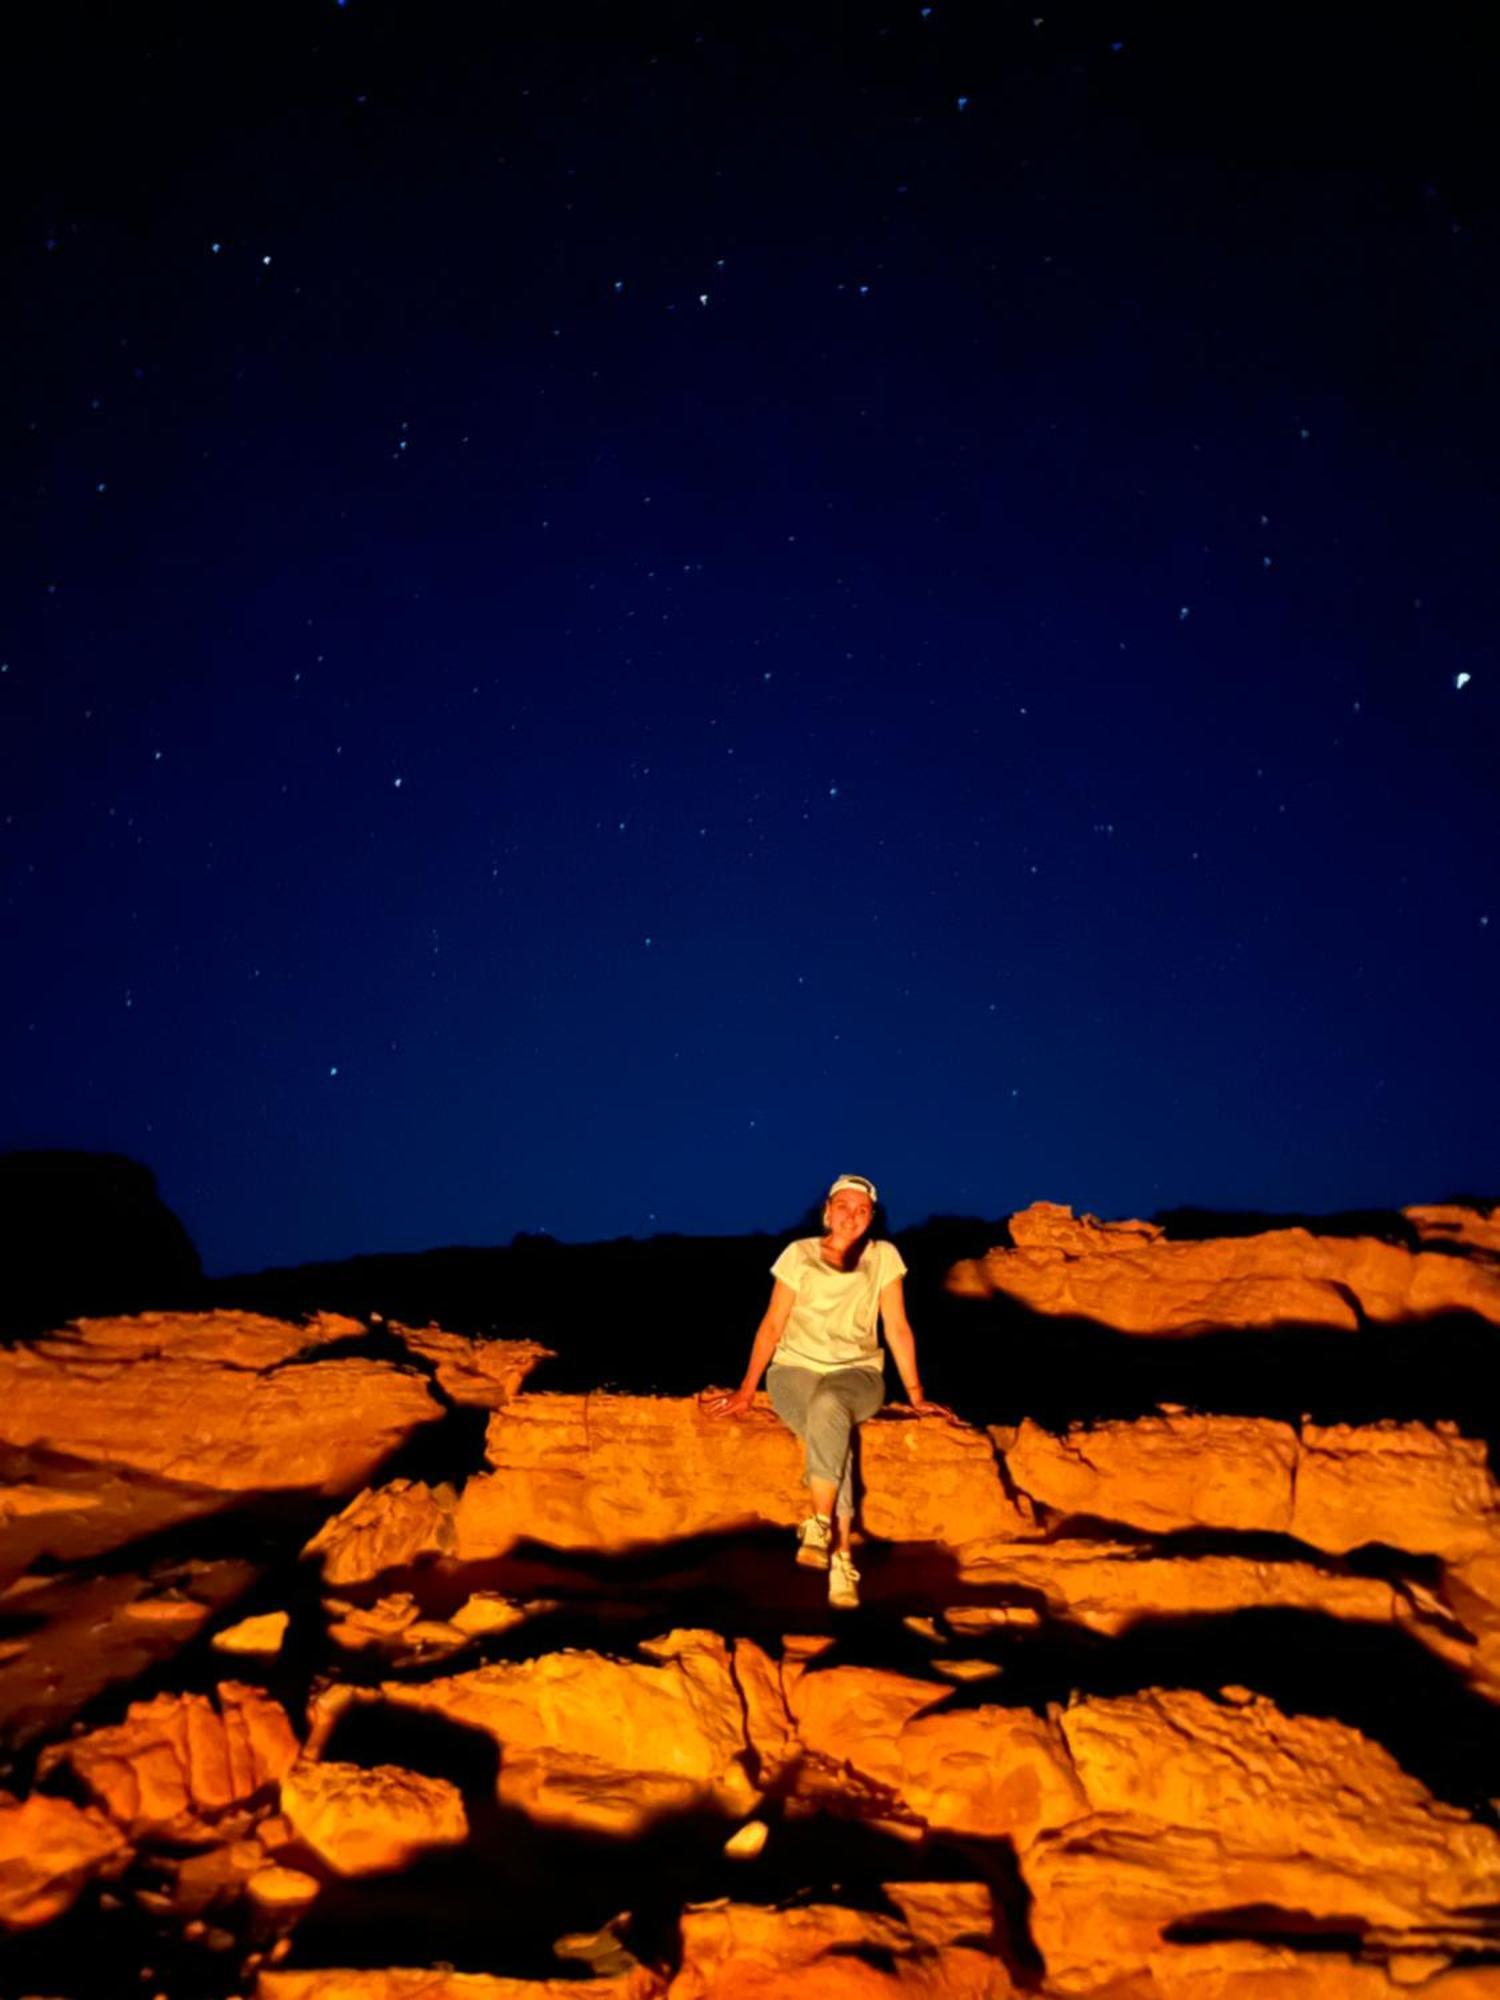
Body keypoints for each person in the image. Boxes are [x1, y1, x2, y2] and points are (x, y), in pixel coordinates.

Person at [707, 1173, 942, 1609]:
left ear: (871, 1217)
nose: (851, 1216)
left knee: (831, 1405)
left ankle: (819, 1523)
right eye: (844, 1206)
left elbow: (897, 1327)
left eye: (862, 1210)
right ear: (827, 1211)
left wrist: (916, 1393)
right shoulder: (798, 1254)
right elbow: (773, 1325)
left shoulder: (884, 1257)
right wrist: (746, 1390)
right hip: (793, 1371)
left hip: (859, 1375)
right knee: (829, 1429)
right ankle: (841, 1555)